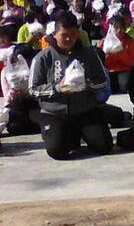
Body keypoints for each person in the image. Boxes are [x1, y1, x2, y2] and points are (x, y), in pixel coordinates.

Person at [28, 12, 111, 160]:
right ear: (55, 34)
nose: (69, 39)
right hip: (54, 113)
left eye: (73, 35)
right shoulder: (43, 57)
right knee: (57, 151)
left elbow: (103, 80)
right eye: (64, 35)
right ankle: (57, 133)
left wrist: (88, 84)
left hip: (85, 110)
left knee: (103, 146)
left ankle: (83, 132)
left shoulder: (89, 54)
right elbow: (33, 89)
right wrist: (57, 88)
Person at [101, 14, 134, 94]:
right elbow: (101, 62)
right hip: (109, 70)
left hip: (124, 69)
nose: (119, 30)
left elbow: (132, 61)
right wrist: (109, 56)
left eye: (121, 27)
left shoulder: (130, 41)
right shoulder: (104, 42)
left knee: (124, 84)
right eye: (116, 27)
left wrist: (120, 53)